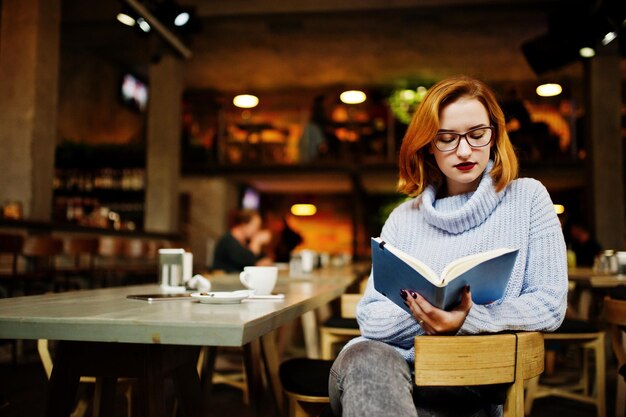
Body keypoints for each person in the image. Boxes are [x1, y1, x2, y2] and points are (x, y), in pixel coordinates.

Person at [329, 76, 568, 417]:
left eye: (477, 134)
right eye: (446, 139)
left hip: (469, 380)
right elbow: (371, 316)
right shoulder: (402, 217)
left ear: (495, 134)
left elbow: (548, 304)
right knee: (368, 357)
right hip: (381, 369)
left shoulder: (528, 199)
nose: (465, 150)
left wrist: (467, 319)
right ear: (427, 145)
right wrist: (432, 320)